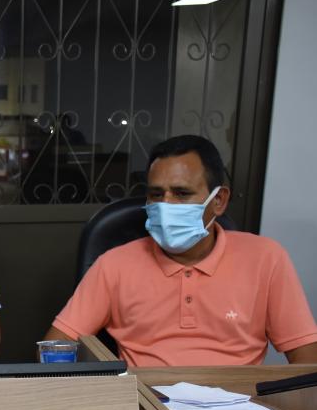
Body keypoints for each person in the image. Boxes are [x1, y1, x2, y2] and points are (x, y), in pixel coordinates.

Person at [42, 134, 317, 366]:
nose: (166, 205)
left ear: (219, 200)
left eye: (182, 193)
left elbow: (305, 354)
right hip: (147, 402)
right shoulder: (114, 264)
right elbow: (56, 344)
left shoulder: (266, 258)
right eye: (156, 194)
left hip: (241, 403)